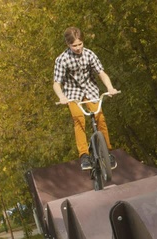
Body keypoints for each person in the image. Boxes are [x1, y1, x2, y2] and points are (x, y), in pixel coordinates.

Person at [53, 27, 118, 170]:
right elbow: (56, 83)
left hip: (91, 90)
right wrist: (61, 97)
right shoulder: (62, 59)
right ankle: (84, 155)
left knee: (100, 118)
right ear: (68, 44)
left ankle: (107, 151)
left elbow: (101, 73)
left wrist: (110, 87)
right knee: (79, 119)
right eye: (74, 45)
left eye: (80, 44)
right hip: (72, 94)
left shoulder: (89, 54)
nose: (78, 48)